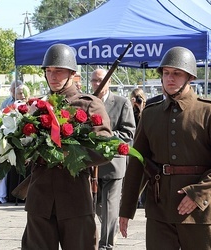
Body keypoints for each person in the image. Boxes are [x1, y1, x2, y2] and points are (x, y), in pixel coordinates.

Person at [119, 46, 211, 250]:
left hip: (199, 211)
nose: (170, 78)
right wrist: (126, 209)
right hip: (160, 209)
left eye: (176, 73)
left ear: (190, 77)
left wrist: (198, 194)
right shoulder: (150, 113)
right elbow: (139, 163)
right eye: (166, 73)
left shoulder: (209, 110)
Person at [21, 43, 112, 249]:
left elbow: (105, 148)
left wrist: (68, 155)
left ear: (72, 73)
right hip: (40, 198)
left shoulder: (89, 105)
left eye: (59, 71)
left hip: (74, 198)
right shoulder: (37, 107)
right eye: (49, 71)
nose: (53, 76)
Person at [91, 68, 135, 250]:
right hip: (92, 165)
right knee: (97, 207)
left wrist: (105, 136)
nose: (96, 83)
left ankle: (106, 244)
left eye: (100, 80)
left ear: (109, 81)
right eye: (93, 80)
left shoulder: (122, 103)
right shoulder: (88, 102)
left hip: (112, 164)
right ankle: (111, 227)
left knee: (109, 207)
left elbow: (128, 133)